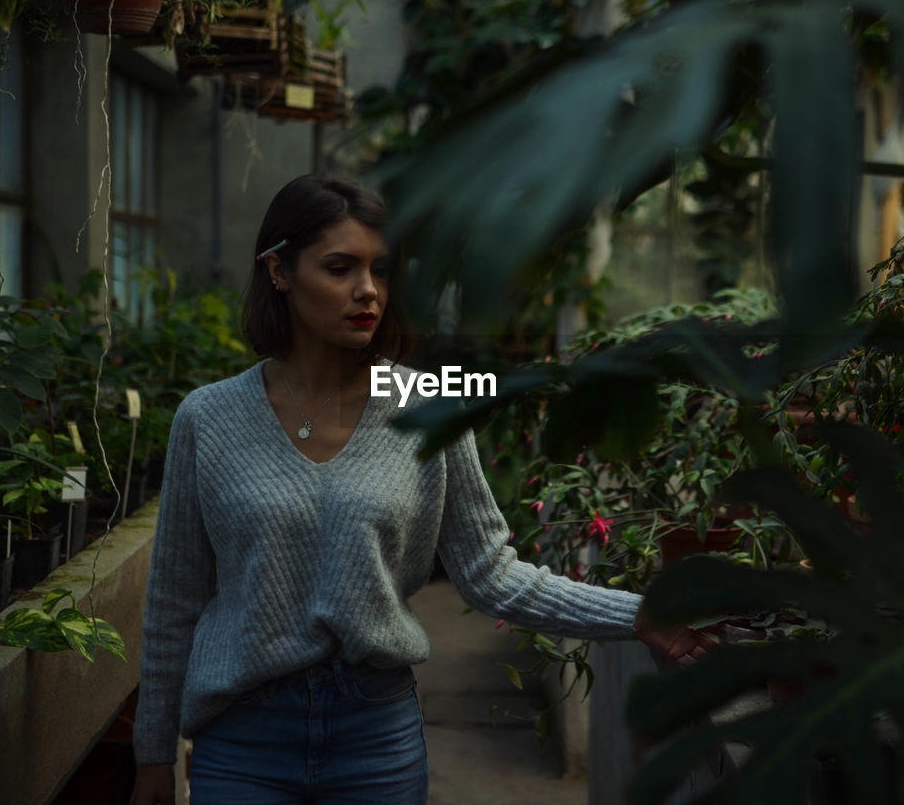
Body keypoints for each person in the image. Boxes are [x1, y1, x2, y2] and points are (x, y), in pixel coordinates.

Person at [129, 175, 713, 805]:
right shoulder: (208, 418)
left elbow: (490, 571)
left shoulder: (428, 405)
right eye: (339, 267)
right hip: (243, 741)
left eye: (382, 271)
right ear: (279, 271)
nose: (368, 291)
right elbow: (174, 602)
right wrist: (154, 756)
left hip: (373, 740)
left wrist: (639, 615)